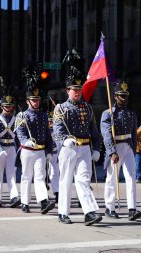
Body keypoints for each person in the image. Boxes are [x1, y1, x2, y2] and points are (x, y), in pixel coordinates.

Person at [53, 74, 102, 226]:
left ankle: (89, 212)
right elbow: (57, 129)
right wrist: (64, 139)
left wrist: (97, 148)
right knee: (66, 180)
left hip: (85, 147)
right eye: (74, 90)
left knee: (83, 180)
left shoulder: (87, 107)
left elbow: (94, 131)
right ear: (68, 90)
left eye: (79, 89)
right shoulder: (61, 108)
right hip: (69, 148)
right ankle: (63, 212)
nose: (77, 92)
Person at [100, 81, 141, 221]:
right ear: (115, 97)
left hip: (128, 146)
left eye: (125, 96)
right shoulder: (108, 114)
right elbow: (106, 135)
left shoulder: (131, 113)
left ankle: (132, 208)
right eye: (121, 96)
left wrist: (134, 149)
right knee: (112, 178)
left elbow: (134, 134)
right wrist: (112, 152)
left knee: (131, 177)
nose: (124, 99)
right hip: (115, 146)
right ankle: (109, 207)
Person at [16, 70, 55, 214]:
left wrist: (50, 151)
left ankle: (43, 202)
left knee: (40, 176)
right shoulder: (22, 115)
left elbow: (47, 135)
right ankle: (25, 202)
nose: (36, 102)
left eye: (37, 100)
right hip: (27, 150)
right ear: (27, 101)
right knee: (26, 176)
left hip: (40, 150)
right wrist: (26, 141)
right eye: (33, 100)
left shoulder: (44, 116)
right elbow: (20, 132)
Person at [0, 95, 21, 208]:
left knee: (11, 172)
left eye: (10, 106)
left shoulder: (16, 119)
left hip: (12, 147)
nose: (8, 108)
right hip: (0, 148)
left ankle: (13, 196)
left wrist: (20, 149)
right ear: (2, 106)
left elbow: (18, 136)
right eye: (6, 106)